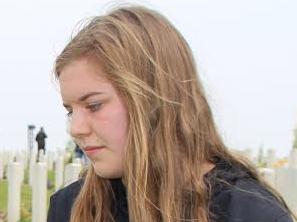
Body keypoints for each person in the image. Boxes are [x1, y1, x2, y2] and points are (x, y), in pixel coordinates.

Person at [47, 5, 296, 222]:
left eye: (93, 105)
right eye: (70, 110)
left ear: (153, 100)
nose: (76, 128)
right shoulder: (70, 208)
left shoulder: (250, 214)